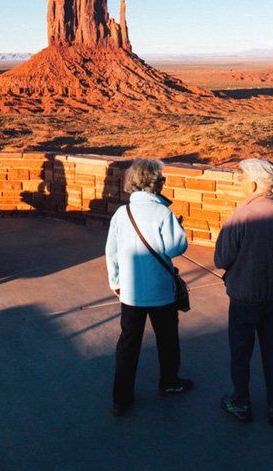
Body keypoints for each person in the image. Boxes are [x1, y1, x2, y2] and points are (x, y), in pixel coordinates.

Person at [215, 158, 273, 426]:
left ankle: (240, 402)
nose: (241, 183)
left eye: (243, 178)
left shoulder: (239, 217)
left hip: (245, 298)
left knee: (240, 352)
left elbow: (222, 259)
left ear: (254, 183)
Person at [105, 158, 192, 417]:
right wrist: (179, 229)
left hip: (131, 293)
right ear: (155, 184)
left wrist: (116, 282)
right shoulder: (163, 214)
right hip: (160, 293)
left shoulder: (123, 214)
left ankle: (121, 398)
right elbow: (175, 248)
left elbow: (112, 251)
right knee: (167, 340)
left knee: (128, 344)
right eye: (162, 179)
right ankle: (169, 382)